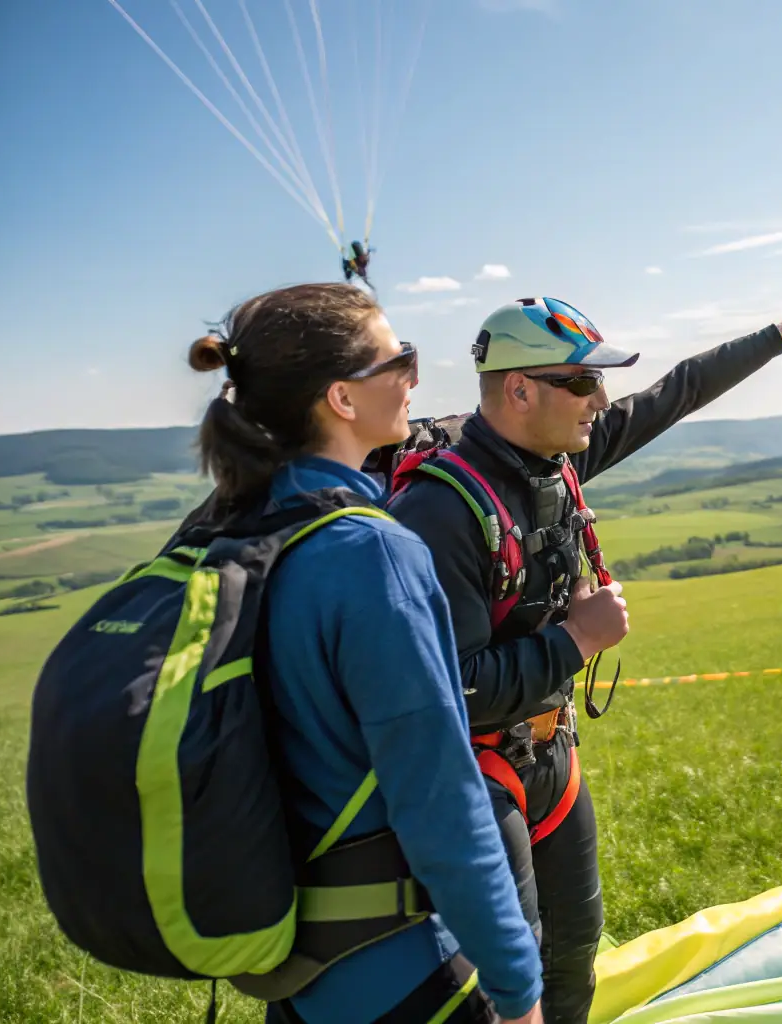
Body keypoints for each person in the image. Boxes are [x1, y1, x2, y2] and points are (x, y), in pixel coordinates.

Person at [386, 294, 782, 1024]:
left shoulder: (556, 454)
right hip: (476, 773)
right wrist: (577, 640)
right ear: (518, 389)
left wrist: (779, 337)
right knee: (504, 976)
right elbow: (449, 692)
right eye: (581, 383)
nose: (599, 401)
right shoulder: (441, 508)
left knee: (574, 947)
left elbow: (671, 394)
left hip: (551, 754)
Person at [187, 283, 544, 1024]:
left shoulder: (233, 530)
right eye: (400, 357)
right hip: (394, 970)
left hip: (292, 968)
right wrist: (517, 989)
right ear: (342, 399)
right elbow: (441, 801)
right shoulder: (371, 552)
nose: (415, 375)